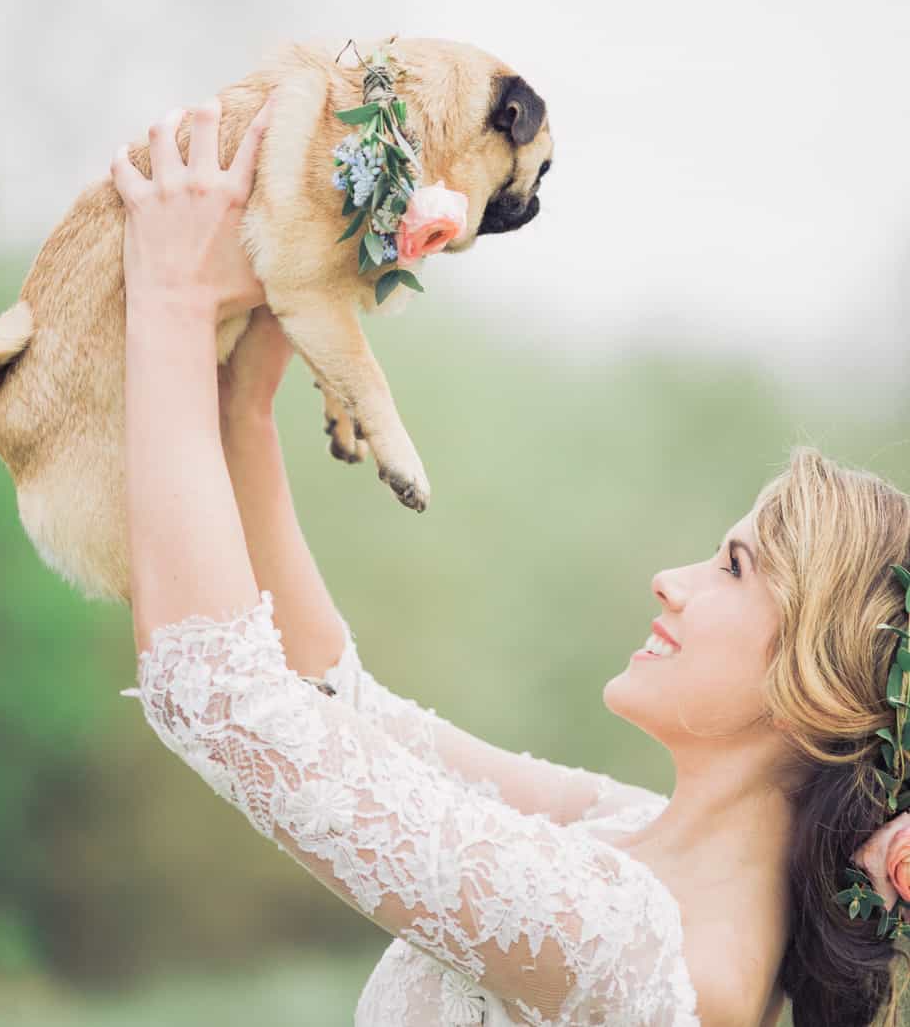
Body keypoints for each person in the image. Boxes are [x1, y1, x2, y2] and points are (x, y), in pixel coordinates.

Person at [111, 98, 910, 1027]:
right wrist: (246, 391)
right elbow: (342, 706)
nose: (671, 579)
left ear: (822, 682)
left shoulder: (646, 944)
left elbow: (222, 694)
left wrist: (169, 300)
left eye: (733, 567)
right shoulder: (629, 832)